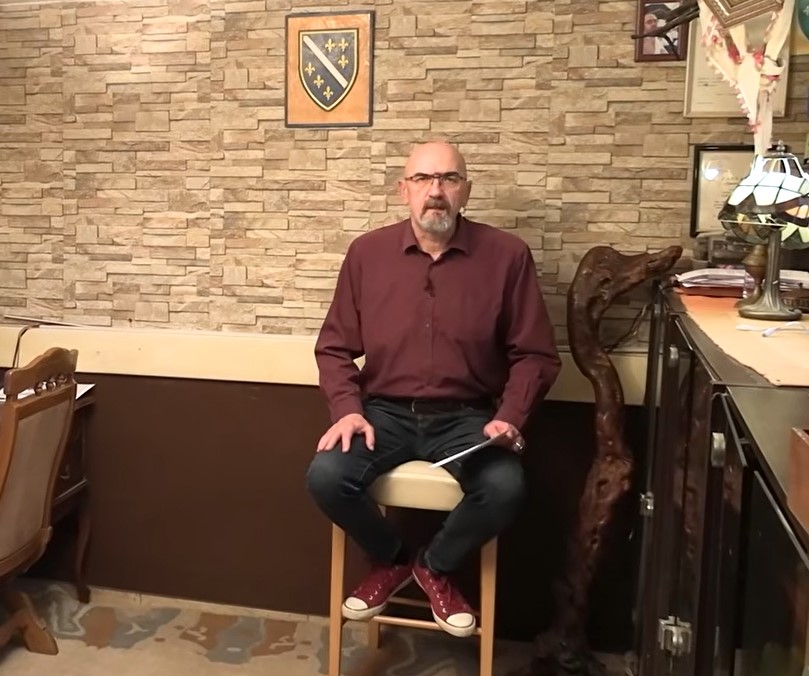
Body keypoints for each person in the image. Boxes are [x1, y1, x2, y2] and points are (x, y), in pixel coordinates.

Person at [305, 140, 561, 638]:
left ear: (466, 190)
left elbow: (535, 354)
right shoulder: (366, 254)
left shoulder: (508, 256)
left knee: (505, 487)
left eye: (448, 179)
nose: (435, 191)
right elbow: (333, 348)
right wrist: (347, 410)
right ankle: (393, 559)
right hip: (382, 414)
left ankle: (435, 567)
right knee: (326, 477)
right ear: (404, 190)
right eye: (423, 179)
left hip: (468, 418)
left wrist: (510, 417)